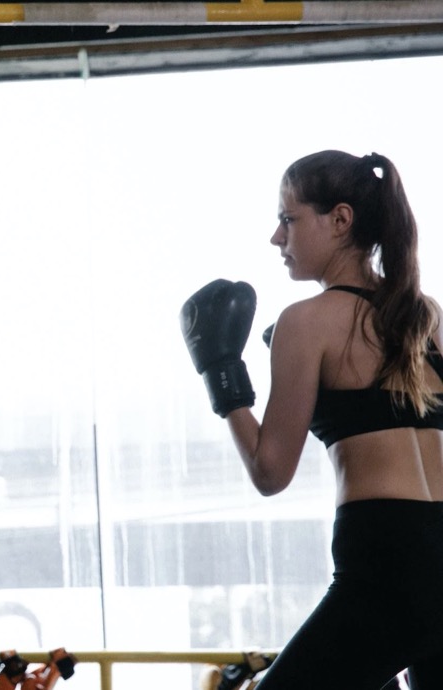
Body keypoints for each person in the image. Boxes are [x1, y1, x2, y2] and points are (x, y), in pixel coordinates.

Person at [180, 149, 443, 688]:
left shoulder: (306, 323)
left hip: (385, 559)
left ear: (340, 220)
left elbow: (270, 473)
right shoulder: (428, 315)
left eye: (287, 219)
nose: (277, 238)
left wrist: (222, 377)